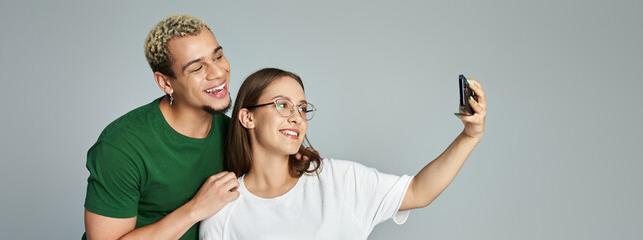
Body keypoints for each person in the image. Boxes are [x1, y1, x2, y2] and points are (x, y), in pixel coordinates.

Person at [200, 68, 487, 239]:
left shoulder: (338, 180)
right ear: (247, 118)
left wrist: (469, 137)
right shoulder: (223, 211)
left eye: (301, 108)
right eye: (282, 105)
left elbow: (417, 192)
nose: (296, 117)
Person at [83, 15, 241, 240]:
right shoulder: (121, 147)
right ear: (166, 83)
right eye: (197, 68)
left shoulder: (234, 133)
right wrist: (195, 209)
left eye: (218, 56)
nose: (217, 72)